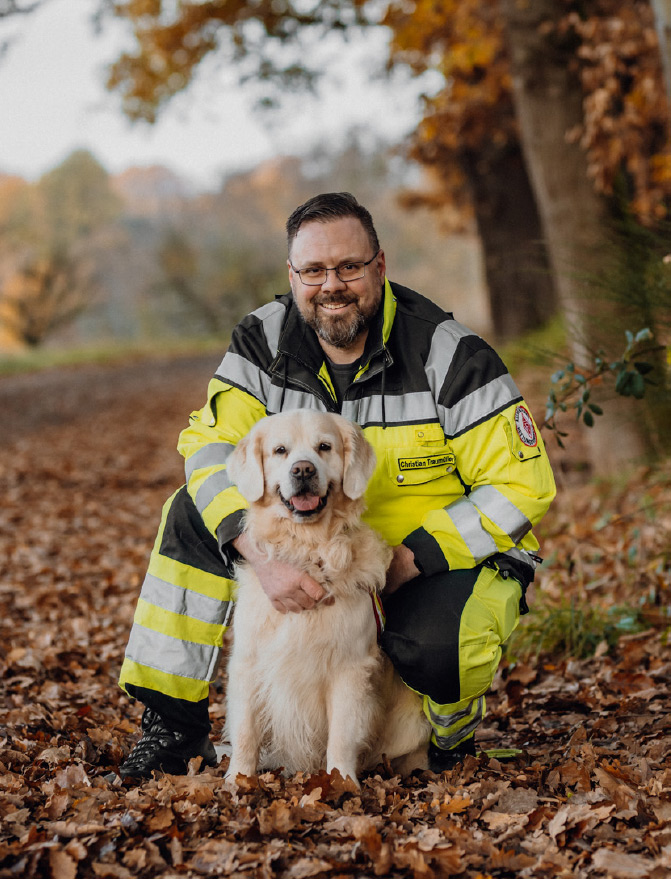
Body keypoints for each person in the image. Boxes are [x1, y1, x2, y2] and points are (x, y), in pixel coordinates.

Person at [117, 192, 556, 780]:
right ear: (293, 276)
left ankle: (450, 727)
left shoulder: (450, 355)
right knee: (191, 513)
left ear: (380, 265)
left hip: (436, 558)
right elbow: (211, 448)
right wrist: (253, 550)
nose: (332, 285)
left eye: (349, 267)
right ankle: (171, 726)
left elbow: (523, 485)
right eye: (314, 271)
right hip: (311, 541)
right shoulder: (262, 340)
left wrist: (410, 559)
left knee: (435, 651)